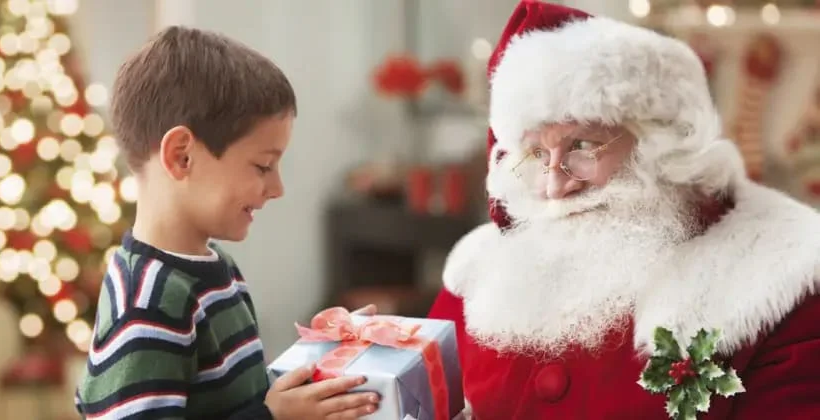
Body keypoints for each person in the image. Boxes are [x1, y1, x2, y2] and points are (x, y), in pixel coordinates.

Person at [427, 1, 820, 419]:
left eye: (582, 146)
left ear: (658, 147)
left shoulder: (780, 283)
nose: (555, 184)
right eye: (537, 153)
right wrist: (362, 385)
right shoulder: (480, 270)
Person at [74, 27, 379, 420]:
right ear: (182, 156)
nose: (277, 187)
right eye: (263, 166)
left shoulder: (216, 269)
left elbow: (234, 400)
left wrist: (321, 360)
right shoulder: (148, 303)